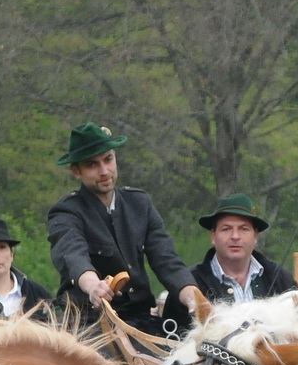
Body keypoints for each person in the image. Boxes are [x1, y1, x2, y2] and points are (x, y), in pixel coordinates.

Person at [46, 122, 205, 336]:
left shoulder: (140, 203)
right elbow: (71, 255)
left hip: (141, 321)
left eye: (108, 160)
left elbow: (167, 261)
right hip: (90, 324)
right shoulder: (66, 212)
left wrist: (193, 297)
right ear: (77, 171)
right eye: (92, 164)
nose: (104, 171)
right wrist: (93, 285)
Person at [188, 194, 297, 304]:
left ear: (255, 236)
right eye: (226, 229)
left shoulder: (280, 279)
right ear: (213, 236)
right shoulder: (190, 283)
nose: (235, 236)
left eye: (244, 229)